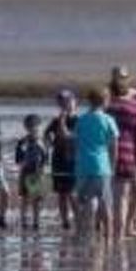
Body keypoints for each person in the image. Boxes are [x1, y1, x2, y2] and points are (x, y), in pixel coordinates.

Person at [105, 67, 136, 238]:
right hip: (127, 159)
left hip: (105, 159)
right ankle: (119, 237)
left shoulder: (106, 106)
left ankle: (112, 236)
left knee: (109, 199)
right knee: (121, 199)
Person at [72, 86, 119, 241]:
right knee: (105, 202)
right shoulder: (108, 119)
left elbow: (76, 142)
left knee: (85, 201)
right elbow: (114, 145)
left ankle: (84, 233)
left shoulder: (82, 119)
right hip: (102, 166)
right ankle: (109, 235)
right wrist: (113, 166)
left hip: (84, 166)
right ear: (105, 101)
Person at [45, 90, 80, 233]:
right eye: (62, 102)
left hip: (73, 162)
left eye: (68, 101)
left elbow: (69, 136)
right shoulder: (56, 120)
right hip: (58, 160)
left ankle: (79, 220)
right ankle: (65, 222)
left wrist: (62, 122)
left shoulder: (79, 120)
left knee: (72, 193)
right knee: (61, 194)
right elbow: (46, 134)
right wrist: (49, 144)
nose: (65, 104)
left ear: (75, 102)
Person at [16, 114, 50, 233]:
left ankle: (36, 221)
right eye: (30, 127)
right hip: (25, 172)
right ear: (26, 128)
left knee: (37, 199)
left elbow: (46, 159)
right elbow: (18, 160)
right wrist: (23, 156)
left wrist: (44, 170)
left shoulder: (44, 141)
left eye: (35, 127)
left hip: (39, 173)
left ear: (40, 127)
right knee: (25, 198)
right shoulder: (22, 142)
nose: (33, 130)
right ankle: (24, 220)